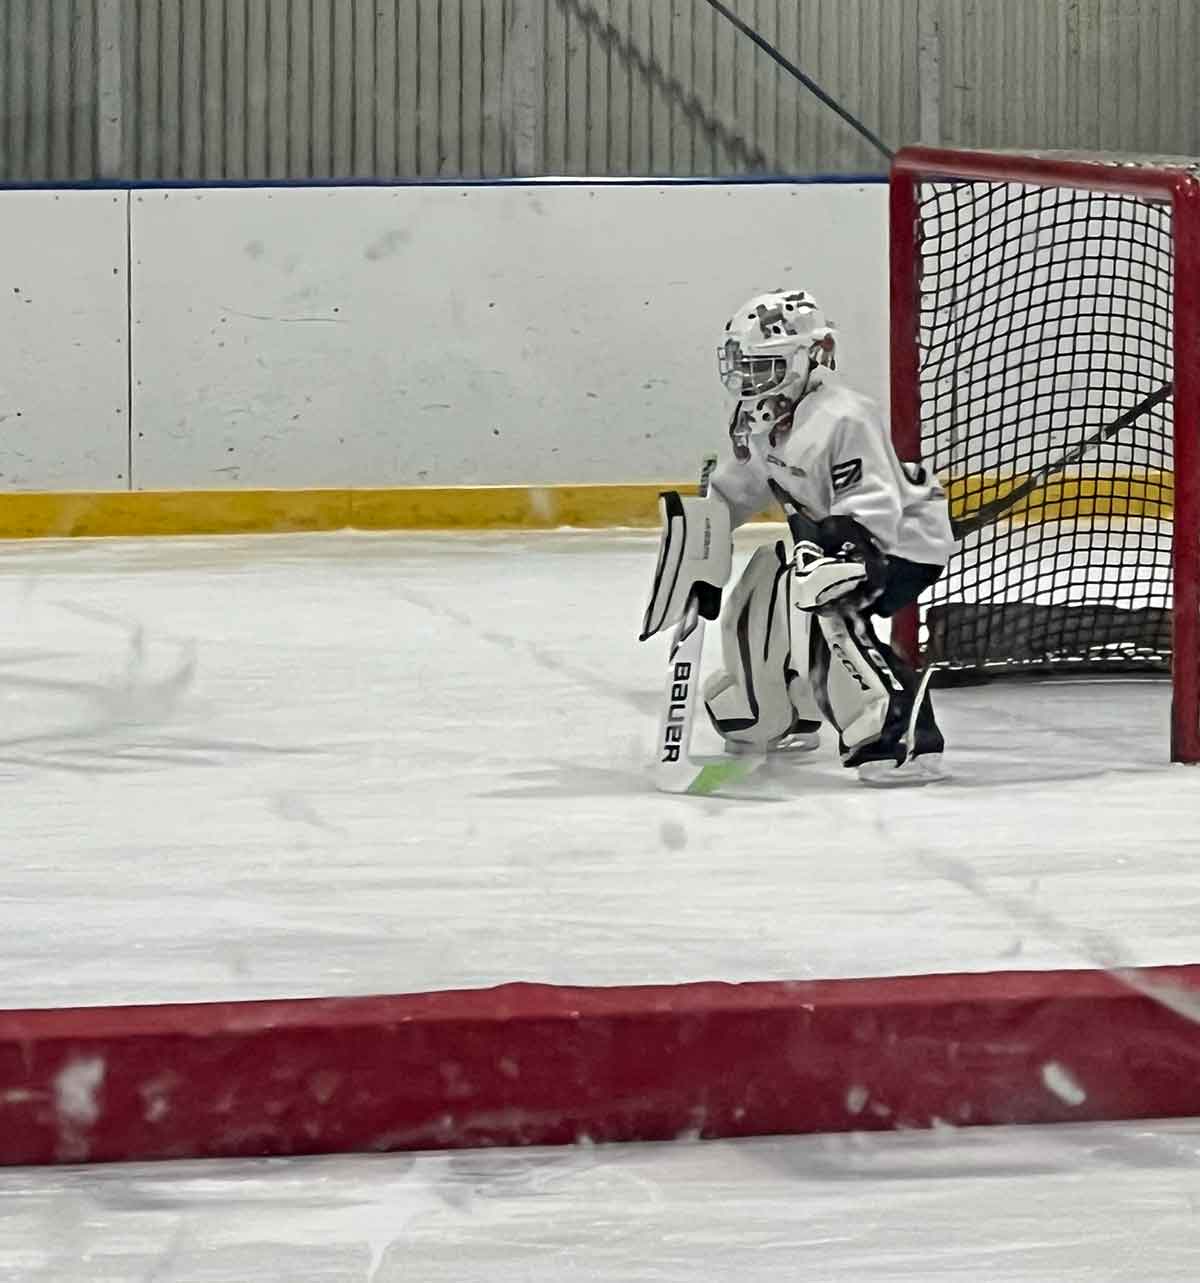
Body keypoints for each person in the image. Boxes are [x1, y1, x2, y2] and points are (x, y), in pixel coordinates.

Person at [640, 288, 956, 785]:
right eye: (744, 365)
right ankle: (772, 709)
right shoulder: (760, 419)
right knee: (763, 582)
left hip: (902, 540)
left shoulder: (844, 417)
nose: (749, 379)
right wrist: (703, 538)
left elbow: (871, 499)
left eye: (763, 366)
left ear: (808, 358)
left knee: (824, 600)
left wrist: (849, 554)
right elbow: (736, 489)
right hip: (829, 535)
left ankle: (901, 736)